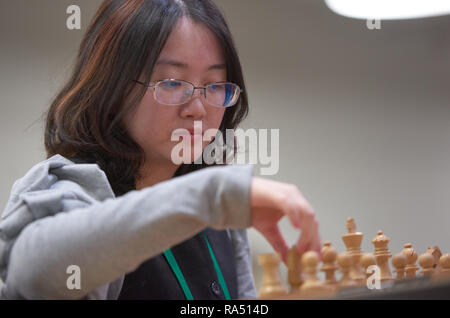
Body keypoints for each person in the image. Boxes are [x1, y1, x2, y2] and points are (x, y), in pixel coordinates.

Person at [0, 0, 321, 300]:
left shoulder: (219, 210)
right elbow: (30, 274)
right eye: (171, 83)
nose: (198, 108)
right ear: (114, 88)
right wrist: (212, 196)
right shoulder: (74, 186)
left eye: (214, 85)